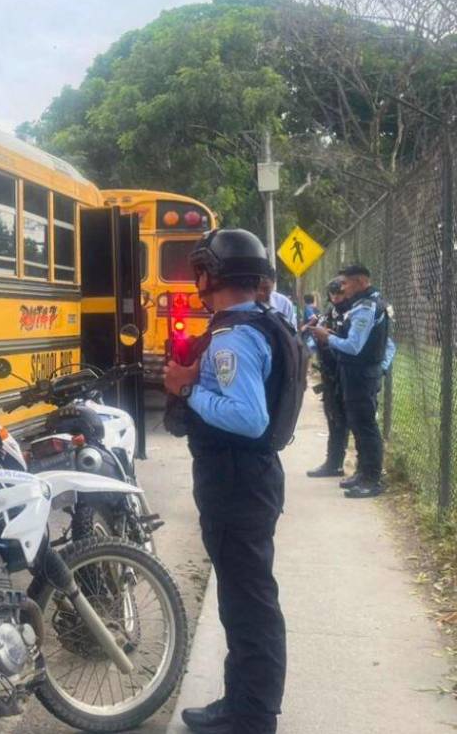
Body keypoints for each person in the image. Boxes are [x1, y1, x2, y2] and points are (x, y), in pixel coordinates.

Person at [164, 228, 304, 734]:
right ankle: (242, 700)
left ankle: (251, 716)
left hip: (236, 482)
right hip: (251, 479)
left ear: (210, 275)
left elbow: (248, 417)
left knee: (248, 602)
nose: (197, 280)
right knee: (245, 596)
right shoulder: (265, 321)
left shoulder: (233, 338)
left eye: (199, 271)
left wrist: (185, 388)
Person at [309, 263, 391, 499]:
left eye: (345, 283)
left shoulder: (366, 307)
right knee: (357, 423)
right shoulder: (362, 304)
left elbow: (354, 346)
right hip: (356, 374)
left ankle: (373, 478)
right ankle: (363, 472)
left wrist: (328, 338)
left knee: (365, 426)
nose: (342, 287)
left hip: (362, 374)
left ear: (360, 282)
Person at [304, 278, 349, 478]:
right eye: (333, 294)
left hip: (351, 374)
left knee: (357, 422)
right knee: (334, 418)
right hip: (331, 374)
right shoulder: (329, 313)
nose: (336, 297)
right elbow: (313, 337)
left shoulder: (356, 312)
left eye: (339, 293)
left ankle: (366, 470)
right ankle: (334, 463)